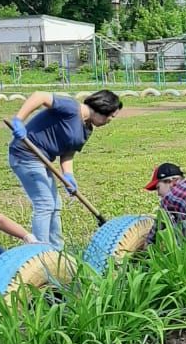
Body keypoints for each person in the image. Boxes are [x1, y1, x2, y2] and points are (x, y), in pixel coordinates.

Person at [8, 89, 122, 248]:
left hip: (43, 160)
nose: (110, 120)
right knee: (45, 203)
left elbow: (68, 153)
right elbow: (39, 96)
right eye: (111, 116)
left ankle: (57, 249)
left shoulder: (87, 129)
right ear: (103, 108)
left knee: (55, 204)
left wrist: (68, 175)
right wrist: (19, 120)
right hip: (25, 154)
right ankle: (40, 251)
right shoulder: (71, 108)